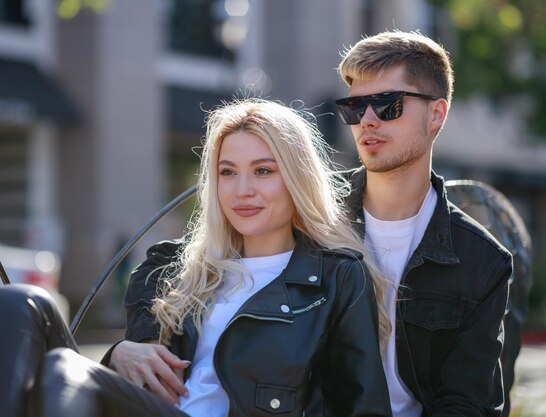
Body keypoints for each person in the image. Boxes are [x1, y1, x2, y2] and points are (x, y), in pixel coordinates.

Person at [117, 31, 514, 416]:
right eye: (355, 108)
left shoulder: (480, 261)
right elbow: (176, 260)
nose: (367, 121)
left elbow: (468, 403)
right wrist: (137, 342)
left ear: (436, 114)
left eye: (388, 104)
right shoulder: (303, 208)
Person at [0, 98, 393, 417]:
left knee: (64, 368)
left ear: (296, 180)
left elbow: (363, 405)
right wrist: (120, 353)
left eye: (263, 171)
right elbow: (142, 363)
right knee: (19, 302)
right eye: (227, 172)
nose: (241, 190)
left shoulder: (337, 277)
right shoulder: (171, 267)